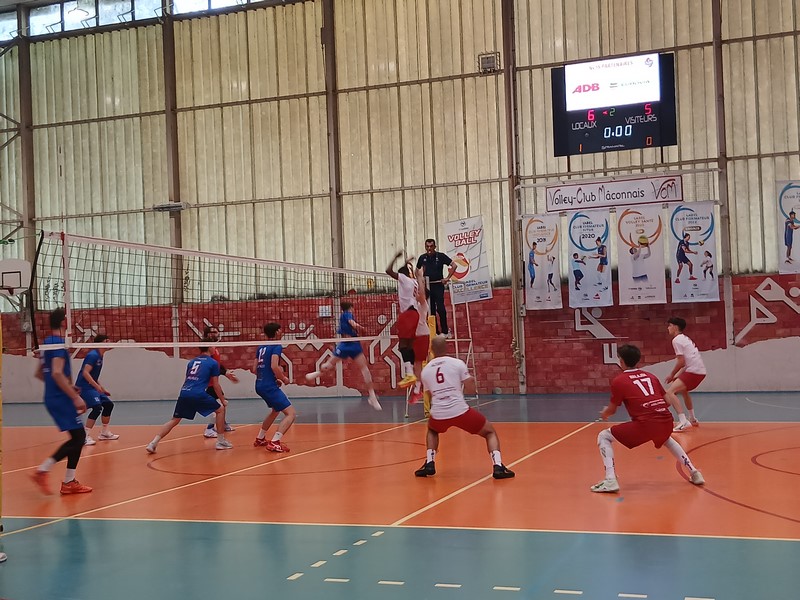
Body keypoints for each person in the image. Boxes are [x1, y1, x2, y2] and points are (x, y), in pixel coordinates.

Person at [590, 344, 705, 493]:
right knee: (667, 439)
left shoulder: (619, 381)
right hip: (666, 420)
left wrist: (604, 414)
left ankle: (610, 479)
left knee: (604, 436)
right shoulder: (651, 376)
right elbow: (667, 401)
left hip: (645, 424)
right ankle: (694, 472)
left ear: (621, 361)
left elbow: (611, 410)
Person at [414, 335, 515, 480]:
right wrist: (470, 389)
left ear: (431, 350)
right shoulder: (457, 363)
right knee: (489, 432)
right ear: (446, 347)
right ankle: (498, 466)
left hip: (439, 413)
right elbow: (470, 384)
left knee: (432, 430)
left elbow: (429, 394)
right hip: (459, 410)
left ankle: (430, 462)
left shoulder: (426, 371)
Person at [30, 308, 93, 495]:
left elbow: (40, 373)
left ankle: (69, 482)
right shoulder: (58, 343)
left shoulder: (47, 343)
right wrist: (74, 396)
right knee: (79, 438)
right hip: (60, 399)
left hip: (53, 396)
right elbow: (56, 373)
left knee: (77, 438)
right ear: (64, 322)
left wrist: (67, 386)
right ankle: (43, 470)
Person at [146, 338, 232, 454]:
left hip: (184, 392)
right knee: (220, 409)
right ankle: (221, 441)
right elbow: (216, 385)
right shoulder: (213, 363)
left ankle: (153, 443)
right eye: (213, 346)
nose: (215, 348)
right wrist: (223, 399)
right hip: (198, 393)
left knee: (174, 420)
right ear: (209, 347)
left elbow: (188, 379)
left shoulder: (191, 362)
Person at [305, 300, 382, 410]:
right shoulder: (347, 314)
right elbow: (353, 323)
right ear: (350, 307)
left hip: (353, 343)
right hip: (346, 344)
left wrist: (359, 331)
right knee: (330, 366)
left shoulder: (344, 315)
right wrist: (362, 328)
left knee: (365, 370)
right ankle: (318, 373)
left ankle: (372, 397)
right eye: (353, 308)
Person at [253, 323, 296, 452]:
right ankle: (275, 442)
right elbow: (274, 366)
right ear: (277, 332)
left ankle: (260, 438)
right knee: (291, 414)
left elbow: (254, 369)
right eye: (280, 329)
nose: (282, 331)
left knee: (275, 410)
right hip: (268, 386)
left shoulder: (261, 347)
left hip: (259, 384)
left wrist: (272, 379)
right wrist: (283, 378)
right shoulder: (276, 346)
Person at [665, 317, 707, 432]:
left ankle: (683, 421)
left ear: (675, 327)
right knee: (684, 390)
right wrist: (677, 376)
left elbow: (681, 361)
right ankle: (692, 418)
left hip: (694, 372)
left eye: (670, 325)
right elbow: (687, 362)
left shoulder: (676, 340)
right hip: (699, 371)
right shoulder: (685, 338)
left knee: (670, 392)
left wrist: (671, 374)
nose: (668, 328)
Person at [76, 334, 119, 445]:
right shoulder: (93, 355)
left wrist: (101, 387)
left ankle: (104, 433)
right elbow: (85, 373)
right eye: (107, 340)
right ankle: (84, 437)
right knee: (97, 407)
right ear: (101, 342)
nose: (109, 342)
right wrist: (96, 386)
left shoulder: (100, 355)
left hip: (91, 386)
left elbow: (93, 375)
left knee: (109, 405)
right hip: (84, 387)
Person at [387, 251, 420, 389]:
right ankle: (412, 374)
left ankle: (410, 374)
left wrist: (395, 257)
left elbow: (388, 271)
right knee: (410, 346)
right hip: (415, 314)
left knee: (402, 346)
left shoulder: (404, 279)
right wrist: (407, 262)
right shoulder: (414, 282)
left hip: (407, 314)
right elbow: (406, 271)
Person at [202, 325, 238, 438]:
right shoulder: (208, 349)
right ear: (208, 334)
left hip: (213, 381)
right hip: (210, 382)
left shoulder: (214, 348)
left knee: (221, 403)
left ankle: (222, 423)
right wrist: (225, 373)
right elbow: (212, 365)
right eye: (213, 332)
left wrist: (226, 372)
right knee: (219, 405)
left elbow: (217, 364)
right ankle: (209, 428)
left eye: (217, 332)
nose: (216, 334)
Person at [416, 239, 456, 336]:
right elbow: (416, 271)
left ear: (435, 247)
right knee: (431, 310)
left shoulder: (440, 256)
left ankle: (445, 331)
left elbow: (454, 265)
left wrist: (447, 278)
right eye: (427, 247)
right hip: (428, 286)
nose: (429, 249)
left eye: (431, 246)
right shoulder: (422, 257)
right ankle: (435, 332)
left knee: (441, 308)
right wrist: (421, 280)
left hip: (438, 285)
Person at [409, 264, 431, 405]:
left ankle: (421, 388)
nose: (416, 294)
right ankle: (418, 387)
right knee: (415, 364)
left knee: (420, 363)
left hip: (422, 336)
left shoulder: (423, 305)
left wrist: (420, 277)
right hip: (414, 337)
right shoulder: (413, 305)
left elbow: (421, 293)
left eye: (418, 293)